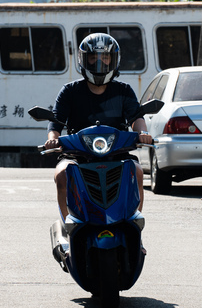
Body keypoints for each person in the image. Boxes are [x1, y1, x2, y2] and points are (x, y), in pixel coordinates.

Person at [45, 33, 153, 221]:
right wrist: (52, 138)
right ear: (83, 60)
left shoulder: (123, 90)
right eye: (93, 57)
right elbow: (56, 122)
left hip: (117, 155)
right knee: (61, 174)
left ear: (114, 60)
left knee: (137, 171)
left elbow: (136, 117)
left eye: (105, 57)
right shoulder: (69, 91)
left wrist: (142, 133)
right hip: (76, 156)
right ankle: (68, 225)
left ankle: (135, 225)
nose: (99, 62)